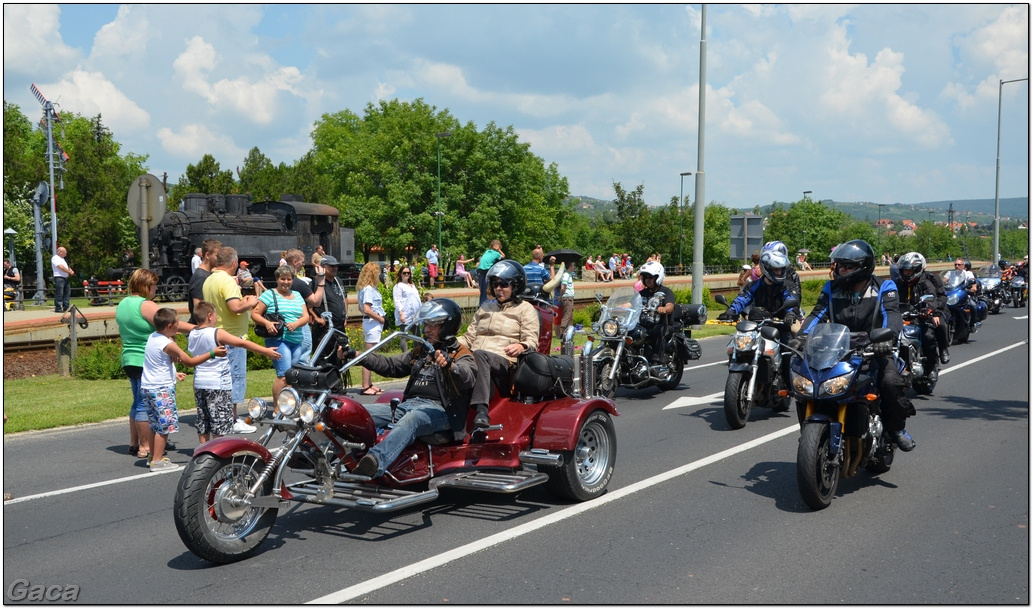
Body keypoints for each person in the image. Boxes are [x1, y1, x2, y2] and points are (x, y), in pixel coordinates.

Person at [799, 239, 916, 452]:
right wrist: (801, 336)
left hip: (874, 348)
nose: (841, 270)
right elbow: (817, 314)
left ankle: (896, 429)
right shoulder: (831, 288)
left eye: (847, 266)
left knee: (890, 382)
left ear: (863, 267)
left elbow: (892, 315)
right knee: (804, 382)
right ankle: (810, 434)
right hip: (836, 349)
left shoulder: (884, 287)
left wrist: (887, 340)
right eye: (839, 265)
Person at [350, 299, 476, 478]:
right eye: (425, 324)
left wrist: (450, 366)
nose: (426, 329)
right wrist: (357, 355)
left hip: (441, 412)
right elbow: (390, 365)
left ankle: (374, 462)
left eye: (432, 325)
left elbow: (467, 376)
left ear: (447, 326)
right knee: (359, 412)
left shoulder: (461, 354)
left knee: (413, 419)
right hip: (407, 406)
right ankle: (334, 455)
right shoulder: (421, 352)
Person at [116, 268, 197, 460]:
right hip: (146, 359)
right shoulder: (146, 305)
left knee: (137, 401)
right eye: (153, 285)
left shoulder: (123, 303)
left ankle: (134, 441)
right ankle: (146, 446)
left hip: (129, 357)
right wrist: (199, 328)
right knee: (144, 405)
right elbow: (171, 324)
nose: (156, 288)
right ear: (145, 286)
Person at [141, 307, 226, 472]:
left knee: (154, 424)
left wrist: (174, 373)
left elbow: (158, 363)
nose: (180, 326)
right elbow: (189, 361)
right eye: (177, 323)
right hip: (161, 389)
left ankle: (153, 457)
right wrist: (212, 353)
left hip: (148, 387)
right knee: (165, 425)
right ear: (170, 326)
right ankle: (158, 462)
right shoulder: (167, 343)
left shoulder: (154, 337)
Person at [458, 260, 540, 429]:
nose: (498, 289)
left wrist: (522, 346)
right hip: (476, 360)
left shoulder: (525, 309)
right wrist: (447, 342)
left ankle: (481, 410)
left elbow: (532, 340)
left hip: (505, 365)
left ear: (516, 286)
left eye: (504, 284)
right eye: (495, 284)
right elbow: (468, 337)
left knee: (480, 354)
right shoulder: (486, 307)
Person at [190, 300, 281, 443]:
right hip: (217, 383)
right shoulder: (216, 333)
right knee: (219, 421)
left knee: (203, 419)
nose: (216, 318)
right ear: (209, 316)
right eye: (215, 315)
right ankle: (216, 452)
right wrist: (265, 351)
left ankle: (203, 449)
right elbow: (242, 343)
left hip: (200, 382)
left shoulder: (193, 333)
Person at [202, 246, 261, 434]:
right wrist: (250, 302)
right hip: (232, 337)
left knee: (222, 381)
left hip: (216, 335)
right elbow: (234, 307)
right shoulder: (227, 281)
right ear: (234, 263)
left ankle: (225, 417)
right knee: (234, 379)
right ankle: (233, 419)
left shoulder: (209, 280)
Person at [251, 265, 311, 400]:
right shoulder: (269, 295)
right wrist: (267, 323)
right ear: (277, 279)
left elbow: (306, 317)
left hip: (296, 340)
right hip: (278, 339)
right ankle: (278, 410)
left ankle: (289, 406)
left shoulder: (297, 295)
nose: (286, 282)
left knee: (293, 376)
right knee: (283, 376)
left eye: (289, 279)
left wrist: (296, 323)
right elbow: (255, 314)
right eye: (283, 279)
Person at [894, 252, 950, 365]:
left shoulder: (928, 281)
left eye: (910, 270)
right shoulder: (898, 283)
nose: (907, 273)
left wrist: (933, 311)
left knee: (931, 333)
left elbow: (936, 296)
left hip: (928, 312)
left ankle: (938, 356)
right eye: (905, 270)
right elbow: (891, 297)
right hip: (905, 315)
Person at [284, 248, 327, 360]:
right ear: (295, 262)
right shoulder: (298, 283)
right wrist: (321, 282)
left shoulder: (280, 280)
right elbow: (316, 301)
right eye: (302, 262)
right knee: (303, 355)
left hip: (286, 323)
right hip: (300, 324)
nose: (303, 265)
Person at [310, 255, 349, 367]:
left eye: (336, 266)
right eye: (331, 266)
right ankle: (323, 383)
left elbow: (344, 297)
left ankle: (337, 382)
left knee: (340, 357)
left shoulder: (338, 281)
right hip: (325, 328)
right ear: (323, 267)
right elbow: (308, 304)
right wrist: (316, 318)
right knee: (323, 358)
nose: (335, 269)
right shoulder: (316, 283)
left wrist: (346, 315)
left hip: (339, 326)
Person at [636, 260, 677, 364]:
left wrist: (664, 309)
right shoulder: (641, 293)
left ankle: (656, 361)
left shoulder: (666, 292)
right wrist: (615, 308)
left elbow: (670, 306)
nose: (647, 280)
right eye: (645, 277)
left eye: (650, 277)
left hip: (663, 324)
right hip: (644, 326)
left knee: (658, 330)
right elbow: (631, 303)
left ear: (658, 277)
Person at [357, 261, 388, 395]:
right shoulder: (369, 289)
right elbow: (366, 309)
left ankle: (369, 384)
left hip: (370, 322)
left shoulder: (363, 289)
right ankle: (365, 386)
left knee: (371, 354)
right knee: (369, 356)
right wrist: (381, 319)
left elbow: (360, 308)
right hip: (372, 323)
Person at [188, 239, 220, 322]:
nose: (220, 259)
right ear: (207, 255)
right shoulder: (201, 278)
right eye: (217, 256)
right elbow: (199, 310)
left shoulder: (206, 274)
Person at [393, 264, 421, 352]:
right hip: (405, 314)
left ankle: (416, 355)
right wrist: (401, 314)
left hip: (415, 314)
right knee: (404, 335)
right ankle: (405, 354)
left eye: (408, 273)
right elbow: (397, 301)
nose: (406, 275)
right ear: (400, 274)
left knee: (417, 336)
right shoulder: (398, 286)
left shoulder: (412, 285)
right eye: (404, 273)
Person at [476, 239, 505, 305]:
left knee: (482, 289)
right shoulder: (496, 254)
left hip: (480, 269)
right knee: (489, 288)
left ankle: (481, 304)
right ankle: (490, 303)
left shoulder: (487, 251)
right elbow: (503, 256)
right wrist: (499, 250)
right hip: (487, 270)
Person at [51, 246, 74, 313]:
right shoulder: (55, 258)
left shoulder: (63, 259)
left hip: (65, 278)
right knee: (59, 293)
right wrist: (69, 272)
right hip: (59, 277)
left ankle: (66, 307)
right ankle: (58, 308)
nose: (66, 253)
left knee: (67, 293)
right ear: (60, 252)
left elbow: (66, 267)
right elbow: (61, 267)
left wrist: (70, 270)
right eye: (65, 252)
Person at [557, 261, 576, 340]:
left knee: (570, 316)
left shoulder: (569, 275)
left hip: (570, 298)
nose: (574, 267)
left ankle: (569, 333)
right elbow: (563, 287)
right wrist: (561, 296)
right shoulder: (566, 275)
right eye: (573, 266)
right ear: (570, 267)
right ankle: (562, 333)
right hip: (567, 298)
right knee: (567, 315)